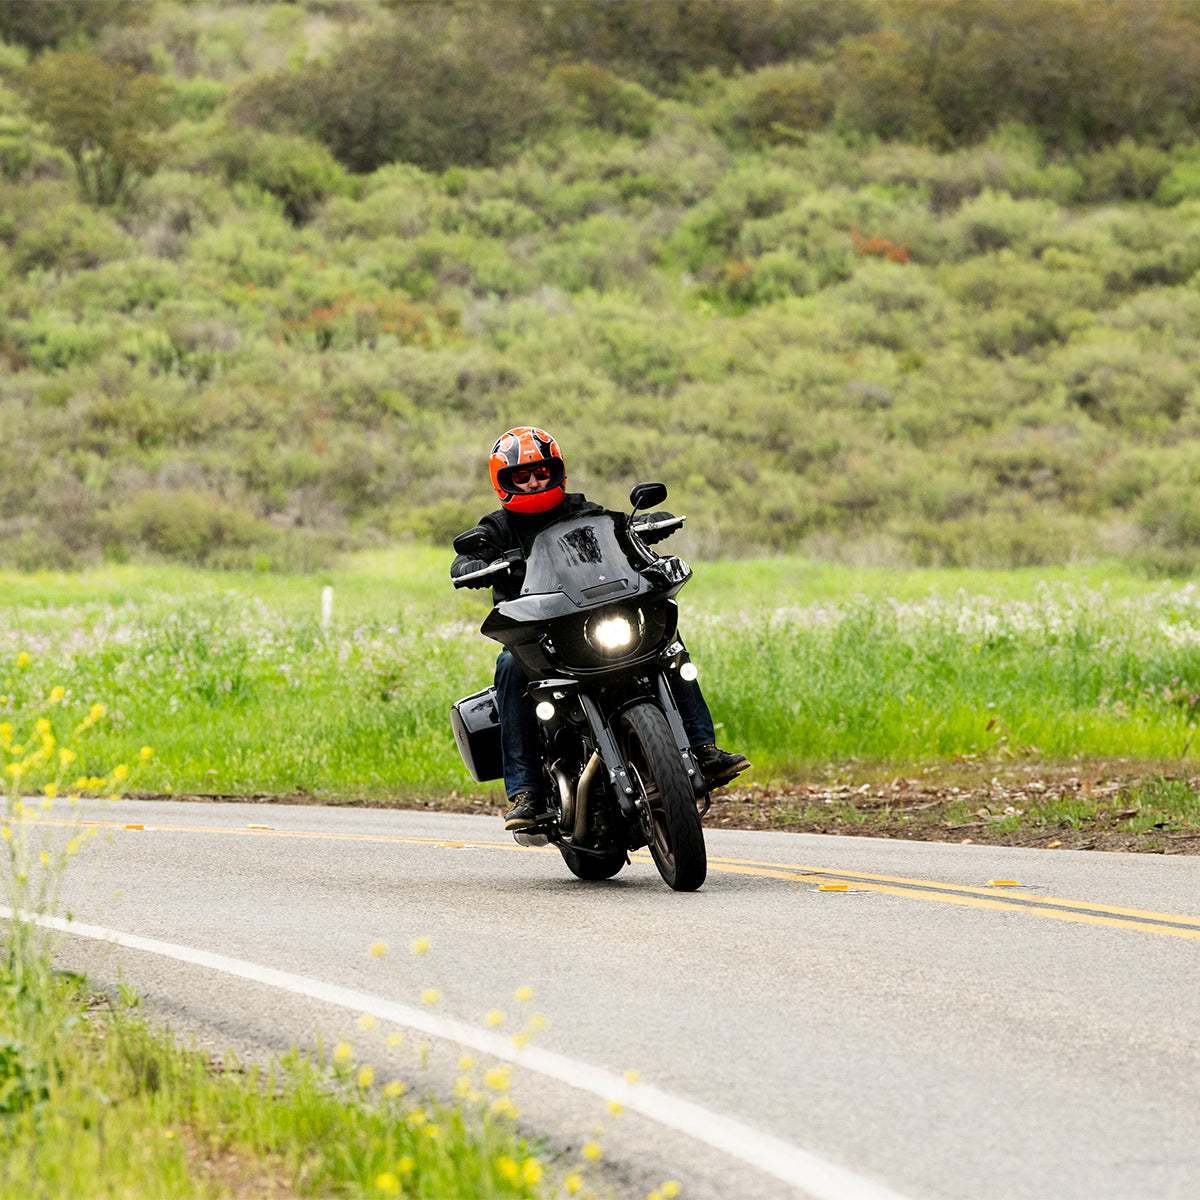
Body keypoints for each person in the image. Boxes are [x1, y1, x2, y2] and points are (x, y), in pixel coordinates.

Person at [451, 426, 749, 831]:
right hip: (540, 636)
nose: (533, 481)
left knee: (670, 646)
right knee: (508, 667)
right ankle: (526, 791)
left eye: (541, 471)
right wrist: (470, 565)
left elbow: (617, 533)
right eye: (521, 476)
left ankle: (703, 748)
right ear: (503, 482)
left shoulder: (581, 509)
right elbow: (467, 557)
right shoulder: (496, 528)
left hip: (593, 620)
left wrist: (646, 525)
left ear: (557, 471)